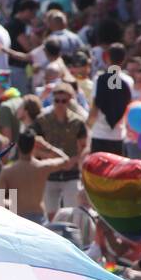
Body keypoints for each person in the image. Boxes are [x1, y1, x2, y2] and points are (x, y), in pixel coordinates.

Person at [32, 81, 89, 218]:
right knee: (50, 214)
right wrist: (48, 158)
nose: (60, 104)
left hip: (71, 173)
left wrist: (74, 161)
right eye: (57, 100)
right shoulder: (41, 121)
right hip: (49, 174)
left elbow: (84, 148)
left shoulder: (78, 122)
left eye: (64, 101)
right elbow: (34, 146)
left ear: (69, 101)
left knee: (72, 213)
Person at [0, 129, 73, 224]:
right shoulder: (42, 167)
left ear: (18, 146)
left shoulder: (7, 171)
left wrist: (13, 203)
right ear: (34, 146)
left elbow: (0, 201)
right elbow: (66, 160)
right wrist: (46, 145)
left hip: (18, 218)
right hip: (39, 220)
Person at [89, 43, 134, 155]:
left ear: (107, 57)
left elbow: (95, 106)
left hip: (99, 134)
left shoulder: (99, 79)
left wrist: (88, 125)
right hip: (119, 135)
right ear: (124, 59)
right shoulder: (129, 81)